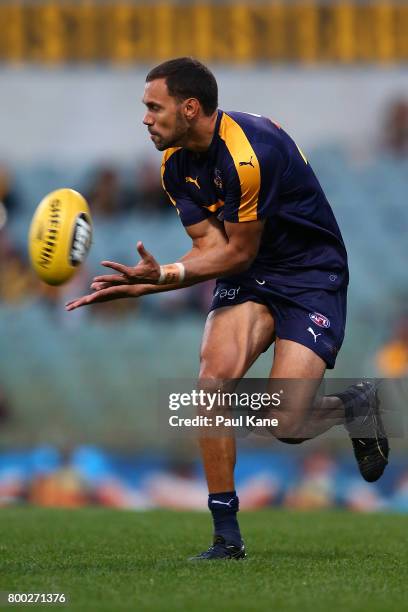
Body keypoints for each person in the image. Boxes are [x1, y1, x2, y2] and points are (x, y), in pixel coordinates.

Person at [66, 57, 389, 560]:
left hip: (308, 276)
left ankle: (355, 406)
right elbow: (209, 249)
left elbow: (235, 252)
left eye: (155, 107)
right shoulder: (176, 165)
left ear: (189, 107)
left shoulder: (247, 154)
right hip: (249, 273)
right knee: (210, 386)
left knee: (287, 424)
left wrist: (162, 279)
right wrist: (152, 283)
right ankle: (226, 537)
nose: (146, 118)